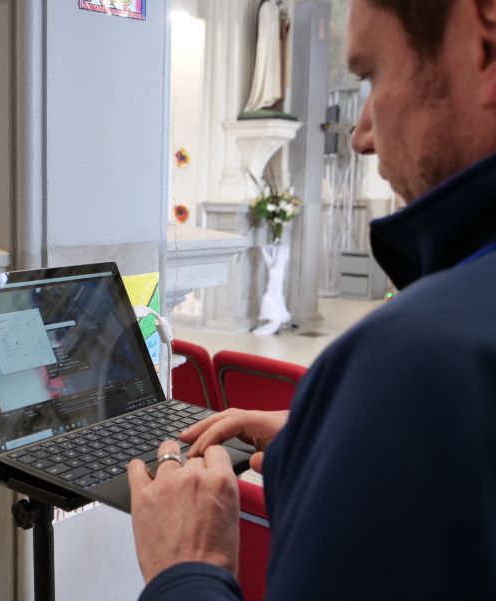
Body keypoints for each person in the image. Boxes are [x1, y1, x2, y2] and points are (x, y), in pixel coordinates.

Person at [129, 0, 496, 599]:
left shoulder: (413, 363)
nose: (362, 136)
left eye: (373, 76)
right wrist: (327, 434)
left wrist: (188, 567)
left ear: (485, 46)